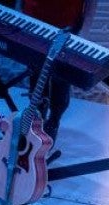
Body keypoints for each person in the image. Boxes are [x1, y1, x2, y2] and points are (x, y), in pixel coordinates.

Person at [19, 0, 96, 154]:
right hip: (33, 21)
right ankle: (37, 121)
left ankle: (54, 121)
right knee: (36, 76)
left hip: (66, 25)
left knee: (61, 80)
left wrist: (85, 30)